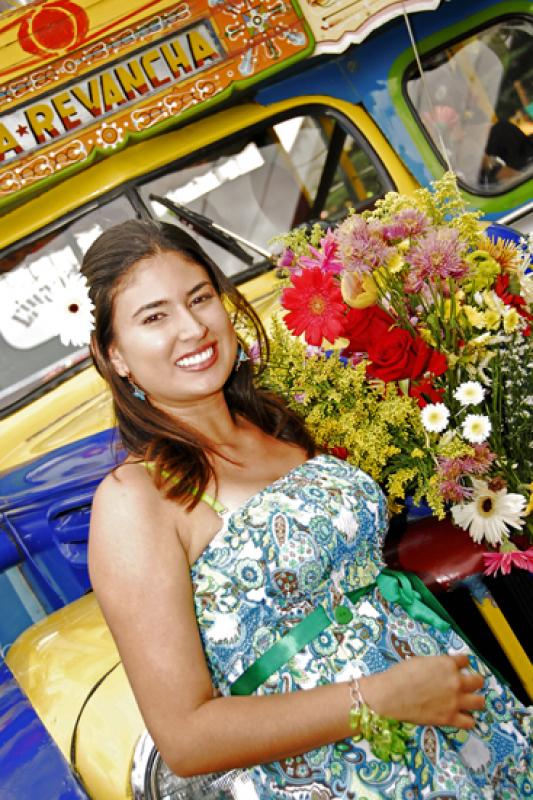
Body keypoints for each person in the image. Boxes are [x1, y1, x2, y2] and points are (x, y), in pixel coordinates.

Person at [82, 219, 532, 799]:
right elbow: (185, 737)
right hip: (349, 776)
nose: (192, 328)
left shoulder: (279, 424)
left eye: (199, 298)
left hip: (462, 727)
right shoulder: (136, 499)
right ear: (114, 354)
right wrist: (375, 700)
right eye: (154, 316)